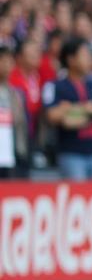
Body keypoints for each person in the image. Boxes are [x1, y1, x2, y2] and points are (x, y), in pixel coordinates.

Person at [43, 36, 92, 181]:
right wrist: (85, 110)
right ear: (71, 59)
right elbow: (52, 115)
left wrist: (69, 110)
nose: (89, 59)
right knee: (77, 198)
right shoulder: (55, 85)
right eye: (85, 55)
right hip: (71, 153)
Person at [0, 41, 30, 180]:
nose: (7, 64)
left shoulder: (17, 94)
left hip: (12, 154)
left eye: (10, 60)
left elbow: (22, 124)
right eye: (3, 60)